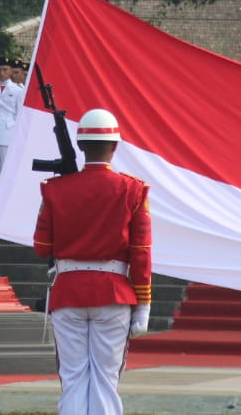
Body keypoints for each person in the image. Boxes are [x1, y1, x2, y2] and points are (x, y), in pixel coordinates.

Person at [33, 108, 153, 415]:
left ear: (81, 146)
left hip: (68, 292)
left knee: (72, 378)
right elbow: (141, 252)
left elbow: (41, 245)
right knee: (105, 378)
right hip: (114, 293)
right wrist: (144, 304)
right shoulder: (134, 190)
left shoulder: (55, 190)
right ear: (114, 146)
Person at [0, 57, 24, 183]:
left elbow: (19, 114)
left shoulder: (17, 90)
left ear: (11, 72)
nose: (2, 73)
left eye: (5, 70)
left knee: (6, 166)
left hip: (8, 130)